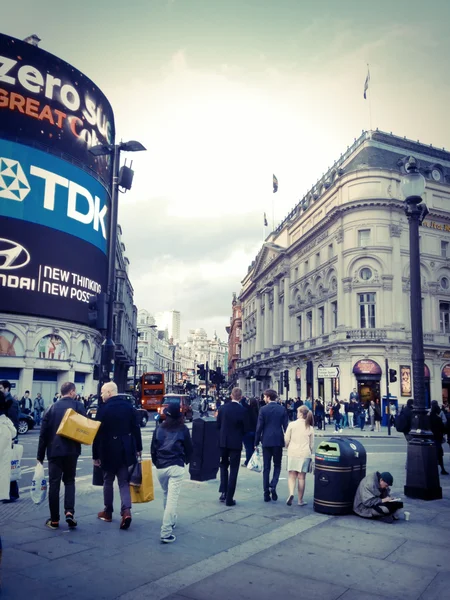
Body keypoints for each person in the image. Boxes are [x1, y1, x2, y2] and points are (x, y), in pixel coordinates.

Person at [93, 382, 143, 530]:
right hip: (125, 449)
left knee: (108, 480)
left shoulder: (103, 409)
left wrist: (96, 455)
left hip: (107, 449)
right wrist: (138, 448)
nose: (101, 395)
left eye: (102, 392)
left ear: (109, 392)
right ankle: (126, 511)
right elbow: (136, 428)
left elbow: (96, 433)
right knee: (123, 481)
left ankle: (108, 512)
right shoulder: (129, 407)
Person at [37, 382, 86, 529]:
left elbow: (43, 435)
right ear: (71, 392)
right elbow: (85, 428)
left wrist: (40, 456)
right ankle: (69, 512)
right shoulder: (79, 406)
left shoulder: (51, 408)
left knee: (54, 484)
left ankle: (54, 519)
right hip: (72, 451)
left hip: (54, 451)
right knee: (70, 481)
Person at [151, 402, 193, 543]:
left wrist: (157, 463)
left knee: (166, 493)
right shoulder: (183, 429)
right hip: (176, 465)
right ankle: (166, 531)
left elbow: (153, 450)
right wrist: (185, 461)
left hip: (161, 466)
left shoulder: (159, 429)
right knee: (172, 499)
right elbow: (189, 449)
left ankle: (171, 520)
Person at [255, 389, 289, 502]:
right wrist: (287, 441)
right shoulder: (282, 409)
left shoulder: (263, 409)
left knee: (266, 467)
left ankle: (266, 493)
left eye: (265, 397)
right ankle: (273, 484)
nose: (264, 399)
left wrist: (256, 442)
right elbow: (286, 427)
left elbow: (259, 427)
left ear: (269, 397)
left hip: (266, 440)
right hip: (278, 440)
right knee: (277, 465)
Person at [216, 387, 248, 506]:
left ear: (231, 395)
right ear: (240, 397)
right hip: (235, 443)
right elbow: (245, 428)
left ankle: (223, 492)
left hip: (223, 442)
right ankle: (230, 497)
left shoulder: (223, 408)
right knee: (234, 469)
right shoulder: (243, 410)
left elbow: (218, 425)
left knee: (223, 466)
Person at [284, 405, 314, 506]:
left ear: (301, 413)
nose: (296, 414)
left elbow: (287, 439)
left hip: (293, 452)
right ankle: (300, 500)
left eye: (297, 412)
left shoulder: (292, 424)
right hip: (305, 453)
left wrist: (287, 446)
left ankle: (291, 493)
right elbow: (311, 444)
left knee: (292, 475)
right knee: (301, 477)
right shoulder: (310, 427)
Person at [0, 380, 20, 503]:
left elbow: (14, 420)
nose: (0, 389)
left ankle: (12, 493)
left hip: (9, 435)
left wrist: (14, 438)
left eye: (1, 387)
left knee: (9, 466)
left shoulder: (11, 402)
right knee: (7, 465)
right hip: (6, 434)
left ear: (7, 388)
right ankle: (11, 493)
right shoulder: (4, 400)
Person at [429, 400, 449, 475]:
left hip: (431, 437)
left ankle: (433, 468)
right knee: (439, 453)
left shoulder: (428, 416)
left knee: (432, 454)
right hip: (437, 437)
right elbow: (443, 427)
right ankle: (442, 468)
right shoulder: (438, 418)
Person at [242, 397, 259, 467]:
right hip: (255, 431)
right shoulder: (257, 410)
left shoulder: (248, 409)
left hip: (248, 431)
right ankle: (253, 461)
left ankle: (248, 461)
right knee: (252, 447)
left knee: (248, 448)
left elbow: (243, 403)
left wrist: (244, 398)